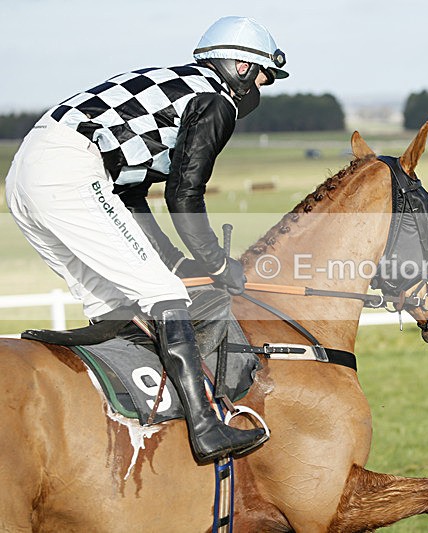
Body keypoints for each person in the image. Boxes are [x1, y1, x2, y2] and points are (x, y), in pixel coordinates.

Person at [4, 16, 289, 464]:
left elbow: (129, 194)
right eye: (261, 74)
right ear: (238, 66)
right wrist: (216, 264)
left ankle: (127, 410)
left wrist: (174, 258)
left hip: (27, 172)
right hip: (70, 171)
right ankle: (206, 428)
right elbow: (185, 194)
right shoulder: (216, 101)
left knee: (113, 306)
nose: (262, 85)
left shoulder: (175, 83)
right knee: (163, 295)